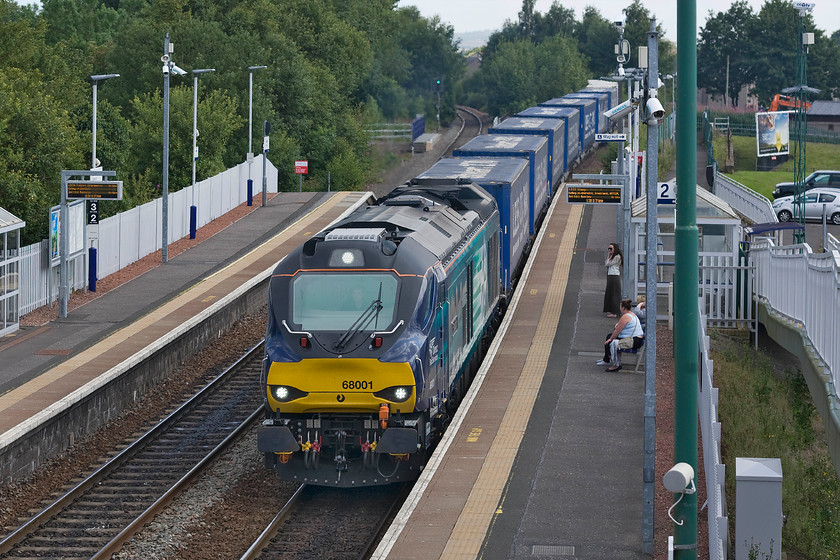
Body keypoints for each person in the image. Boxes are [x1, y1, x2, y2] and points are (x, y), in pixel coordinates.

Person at [597, 299, 644, 372]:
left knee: (612, 342)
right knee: (609, 336)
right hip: (636, 339)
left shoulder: (625, 316)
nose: (620, 309)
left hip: (633, 341)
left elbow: (617, 330)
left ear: (623, 308)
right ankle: (607, 359)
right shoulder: (631, 314)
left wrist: (611, 339)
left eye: (620, 307)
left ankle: (616, 364)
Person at [603, 243, 623, 318]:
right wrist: (609, 255)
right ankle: (611, 310)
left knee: (615, 294)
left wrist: (609, 256)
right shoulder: (612, 256)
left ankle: (615, 312)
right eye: (609, 248)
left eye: (611, 248)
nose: (609, 250)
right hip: (610, 275)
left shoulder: (617, 257)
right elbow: (606, 263)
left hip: (614, 276)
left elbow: (608, 264)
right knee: (610, 293)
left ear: (615, 249)